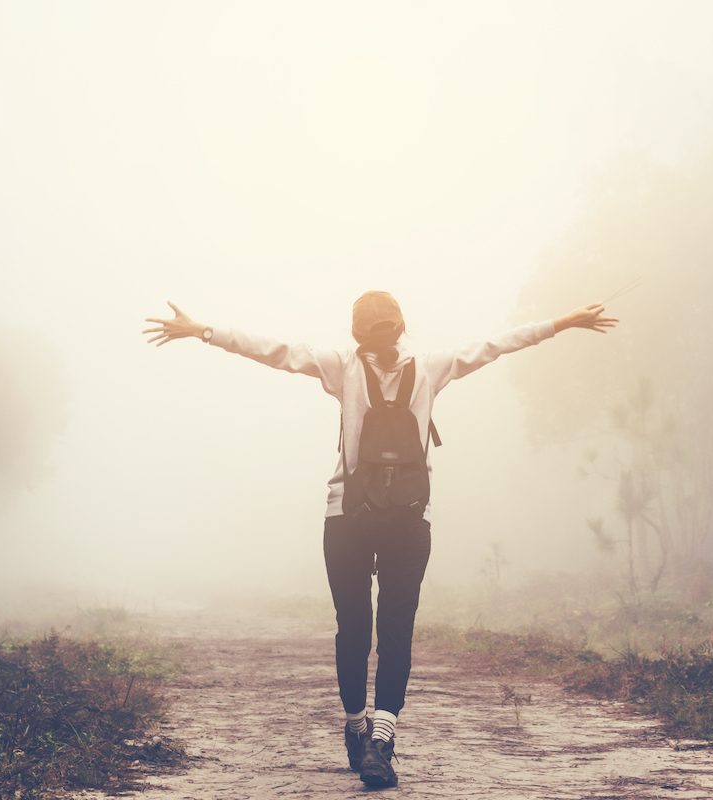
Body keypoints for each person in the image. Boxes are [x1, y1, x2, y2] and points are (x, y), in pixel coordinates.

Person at [142, 291, 618, 789]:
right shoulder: (433, 366)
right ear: (401, 325)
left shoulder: (339, 366)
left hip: (346, 514)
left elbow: (273, 350)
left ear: (355, 331)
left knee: (352, 626)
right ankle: (383, 741)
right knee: (396, 629)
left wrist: (203, 331)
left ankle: (358, 728)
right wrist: (561, 322)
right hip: (410, 519)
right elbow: (498, 345)